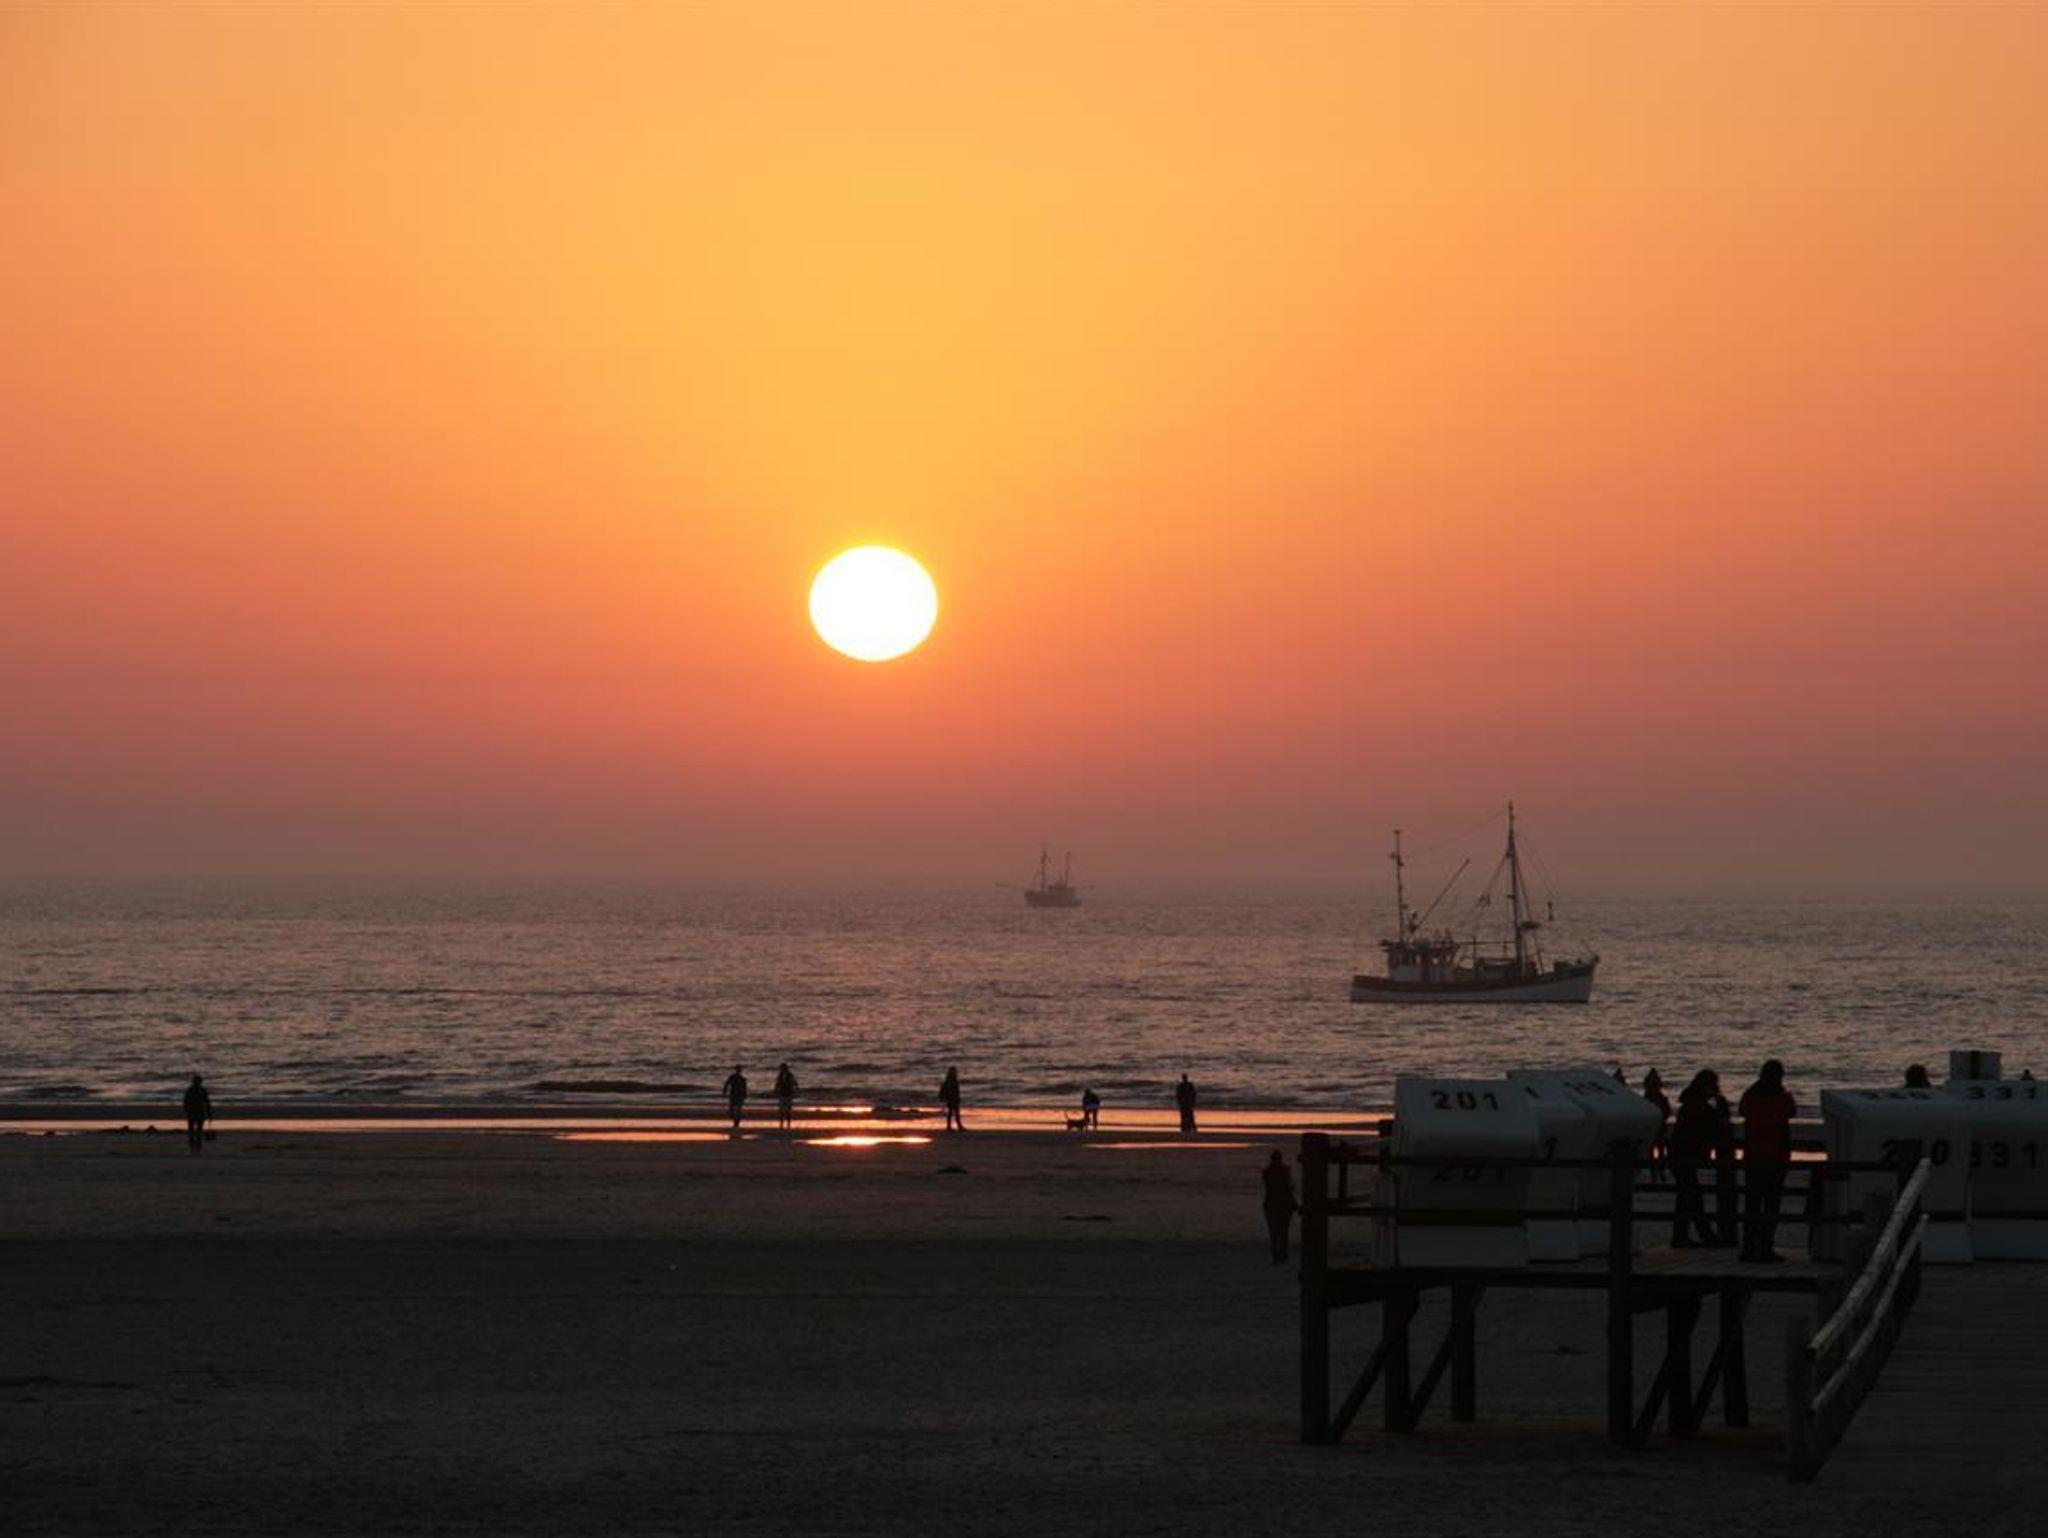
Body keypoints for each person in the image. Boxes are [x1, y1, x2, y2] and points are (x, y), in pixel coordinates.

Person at [1737, 1059, 1797, 1263]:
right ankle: (1765, 1247)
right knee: (1771, 1205)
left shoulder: (1750, 1096)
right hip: (1776, 1157)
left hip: (1753, 1156)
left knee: (1752, 1204)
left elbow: (1742, 1111)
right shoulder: (1783, 1098)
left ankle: (1748, 1247)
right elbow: (1792, 1111)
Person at [1668, 1069, 1729, 1247]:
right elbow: (1717, 1126)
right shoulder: (1699, 1106)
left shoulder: (1690, 1103)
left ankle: (1681, 1236)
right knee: (1693, 1196)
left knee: (1686, 1196)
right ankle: (1705, 1236)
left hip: (1679, 1154)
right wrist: (1721, 1104)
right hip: (1685, 1155)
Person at [1261, 1150, 1297, 1264]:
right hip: (1283, 1205)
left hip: (1271, 1205)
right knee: (1283, 1231)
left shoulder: (1267, 1172)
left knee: (1274, 1232)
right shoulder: (1284, 1171)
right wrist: (1293, 1203)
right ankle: (1282, 1255)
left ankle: (1276, 1255)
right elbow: (1288, 1189)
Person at [1641, 1069, 1672, 1183]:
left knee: (1660, 1152)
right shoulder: (1648, 1099)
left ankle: (1659, 1172)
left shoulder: (1657, 1098)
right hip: (1653, 1129)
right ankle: (1655, 1174)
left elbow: (1667, 1112)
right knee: (1653, 1153)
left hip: (1659, 1129)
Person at [182, 1074, 212, 1154]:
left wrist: (185, 1109)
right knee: (198, 1129)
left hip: (193, 1111)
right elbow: (207, 1102)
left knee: (192, 1129)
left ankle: (193, 1145)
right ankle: (197, 1145)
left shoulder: (190, 1090)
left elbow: (185, 1101)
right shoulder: (202, 1090)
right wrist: (209, 1113)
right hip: (198, 1111)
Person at [772, 1062, 798, 1130]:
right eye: (781, 1069)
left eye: (782, 1068)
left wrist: (796, 1089)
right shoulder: (780, 1076)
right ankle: (781, 1124)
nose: (781, 1070)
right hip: (782, 1094)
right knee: (781, 1110)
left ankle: (788, 1124)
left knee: (788, 1110)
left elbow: (795, 1083)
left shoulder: (790, 1075)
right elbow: (777, 1083)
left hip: (788, 1094)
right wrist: (775, 1089)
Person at [722, 1065, 748, 1131]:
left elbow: (745, 1088)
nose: (738, 1071)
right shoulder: (732, 1077)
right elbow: (727, 1084)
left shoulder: (742, 1079)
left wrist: (744, 1095)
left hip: (739, 1095)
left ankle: (736, 1123)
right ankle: (735, 1120)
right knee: (731, 1110)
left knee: (738, 1110)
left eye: (739, 1070)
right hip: (733, 1095)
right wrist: (724, 1091)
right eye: (737, 1069)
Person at [939, 1067, 963, 1132]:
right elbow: (953, 1090)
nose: (955, 1072)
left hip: (952, 1098)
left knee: (953, 1112)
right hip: (951, 1098)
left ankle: (953, 1126)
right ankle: (954, 1126)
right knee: (954, 1112)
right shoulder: (951, 1081)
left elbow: (956, 1091)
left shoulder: (950, 1080)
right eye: (954, 1071)